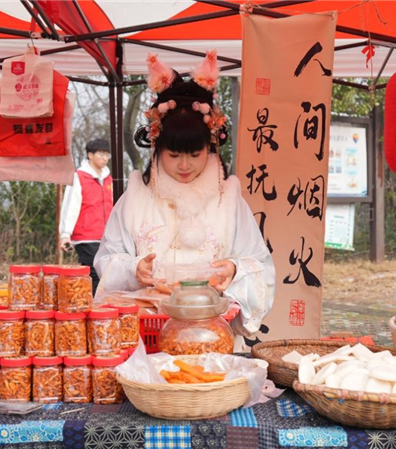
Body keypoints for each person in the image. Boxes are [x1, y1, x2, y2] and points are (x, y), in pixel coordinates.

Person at [94, 52, 275, 341]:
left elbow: (259, 264)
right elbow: (107, 259)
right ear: (156, 147)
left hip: (213, 335)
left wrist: (234, 268)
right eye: (174, 155)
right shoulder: (136, 198)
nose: (184, 165)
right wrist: (133, 268)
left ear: (211, 147)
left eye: (195, 154)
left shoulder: (228, 199)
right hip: (144, 336)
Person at [59, 138, 113, 294]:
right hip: (86, 236)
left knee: (106, 275)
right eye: (101, 154)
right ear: (90, 155)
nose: (105, 158)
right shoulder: (79, 177)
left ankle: (96, 308)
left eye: (107, 155)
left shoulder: (109, 178)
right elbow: (71, 206)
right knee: (94, 274)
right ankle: (95, 311)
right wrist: (65, 234)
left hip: (106, 236)